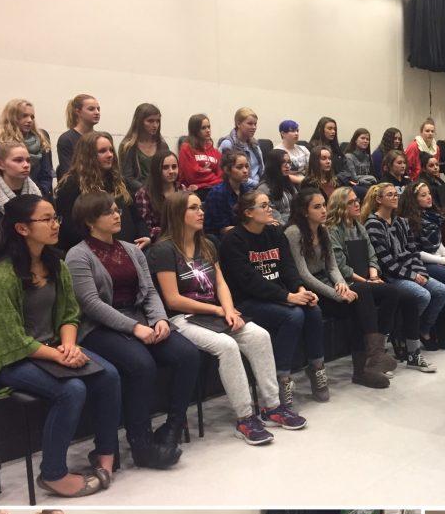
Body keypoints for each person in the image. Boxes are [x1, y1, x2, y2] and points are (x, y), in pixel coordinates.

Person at [0, 195, 120, 497]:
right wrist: (59, 355)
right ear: (21, 228)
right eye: (46, 219)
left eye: (55, 217)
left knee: (108, 375)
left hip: (52, 348)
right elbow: (11, 341)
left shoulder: (54, 263)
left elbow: (70, 313)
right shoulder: (0, 276)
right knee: (71, 390)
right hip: (10, 360)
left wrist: (68, 346)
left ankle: (105, 454)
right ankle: (53, 473)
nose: (56, 224)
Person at [66, 190, 200, 468]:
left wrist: (160, 319)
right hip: (99, 328)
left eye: (117, 210)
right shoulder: (77, 256)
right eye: (109, 212)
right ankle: (141, 444)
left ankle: (172, 427)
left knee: (187, 354)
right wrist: (135, 328)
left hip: (140, 318)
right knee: (141, 365)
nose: (117, 215)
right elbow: (91, 305)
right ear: (90, 221)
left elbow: (150, 291)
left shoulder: (130, 248)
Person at [150, 190, 287, 445]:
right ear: (178, 214)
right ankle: (245, 418)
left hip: (216, 313)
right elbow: (172, 299)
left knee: (259, 335)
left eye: (200, 207)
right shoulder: (163, 250)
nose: (201, 212)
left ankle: (272, 406)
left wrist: (229, 309)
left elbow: (221, 284)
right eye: (193, 208)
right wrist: (218, 311)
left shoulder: (207, 244)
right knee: (227, 346)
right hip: (182, 319)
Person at [218, 187, 323, 413]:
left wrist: (302, 290)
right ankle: (281, 378)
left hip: (279, 295)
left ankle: (316, 366)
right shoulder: (233, 240)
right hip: (247, 301)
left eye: (269, 205)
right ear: (248, 212)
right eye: (264, 206)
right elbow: (249, 282)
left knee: (313, 309)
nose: (270, 209)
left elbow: (288, 268)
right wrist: (288, 297)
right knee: (292, 316)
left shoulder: (275, 234)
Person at [286, 188, 391, 389]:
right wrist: (336, 293)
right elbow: (304, 274)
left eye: (324, 205)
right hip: (307, 290)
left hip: (328, 282)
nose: (323, 210)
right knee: (358, 300)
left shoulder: (323, 229)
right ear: (304, 211)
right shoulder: (294, 232)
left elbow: (332, 266)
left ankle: (368, 363)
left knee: (360, 295)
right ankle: (367, 364)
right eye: (317, 207)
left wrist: (341, 284)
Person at [362, 182, 445, 369]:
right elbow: (385, 261)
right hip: (392, 276)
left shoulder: (402, 221)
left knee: (442, 290)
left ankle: (419, 331)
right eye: (390, 194)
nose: (395, 197)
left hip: (410, 271)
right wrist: (412, 276)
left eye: (396, 194)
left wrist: (421, 272)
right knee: (422, 295)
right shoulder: (373, 224)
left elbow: (413, 251)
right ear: (379, 199)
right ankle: (404, 335)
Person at [325, 186, 404, 372]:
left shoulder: (360, 227)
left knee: (393, 292)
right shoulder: (333, 230)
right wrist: (366, 281)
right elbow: (340, 266)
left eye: (357, 200)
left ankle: (378, 346)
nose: (357, 204)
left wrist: (374, 276)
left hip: (367, 280)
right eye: (351, 202)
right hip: (349, 282)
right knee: (367, 292)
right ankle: (374, 355)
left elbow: (372, 256)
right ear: (340, 206)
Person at [55, 132, 150, 251]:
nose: (110, 155)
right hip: (95, 252)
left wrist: (145, 236)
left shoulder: (118, 180)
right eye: (102, 151)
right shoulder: (71, 185)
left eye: (111, 150)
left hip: (129, 248)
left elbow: (136, 217)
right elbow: (70, 229)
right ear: (88, 155)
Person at [0, 99, 54, 197]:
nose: (30, 120)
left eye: (32, 117)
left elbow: (46, 174)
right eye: (24, 116)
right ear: (11, 117)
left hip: (38, 193)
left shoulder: (41, 139)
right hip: (8, 195)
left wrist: (39, 194)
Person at [0, 141, 50, 240]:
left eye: (28, 160)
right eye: (18, 160)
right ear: (0, 164)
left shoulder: (38, 192)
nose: (26, 165)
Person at [397, 182, 445, 284]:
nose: (429, 197)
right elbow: (416, 252)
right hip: (420, 263)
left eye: (429, 193)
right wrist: (443, 260)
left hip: (436, 257)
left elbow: (438, 244)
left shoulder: (431, 216)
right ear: (413, 199)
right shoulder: (408, 221)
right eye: (423, 195)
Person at [134, 150, 187, 242]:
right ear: (156, 169)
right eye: (165, 167)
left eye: (174, 167)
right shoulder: (144, 194)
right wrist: (173, 231)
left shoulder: (182, 189)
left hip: (183, 237)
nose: (171, 171)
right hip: (160, 241)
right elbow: (146, 229)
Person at [118, 103, 168, 189]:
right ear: (139, 122)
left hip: (160, 191)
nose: (155, 125)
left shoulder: (162, 145)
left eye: (157, 121)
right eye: (150, 121)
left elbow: (168, 170)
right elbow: (128, 178)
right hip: (137, 194)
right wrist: (147, 190)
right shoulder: (128, 146)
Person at [203, 149, 251, 237]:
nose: (245, 171)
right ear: (227, 170)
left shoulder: (246, 190)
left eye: (247, 166)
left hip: (241, 234)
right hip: (219, 239)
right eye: (239, 167)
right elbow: (222, 229)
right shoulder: (217, 193)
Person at [57, 93, 101, 180]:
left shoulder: (100, 138)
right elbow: (68, 173)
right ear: (78, 112)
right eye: (91, 109)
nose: (97, 112)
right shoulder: (66, 139)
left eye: (98, 109)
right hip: (78, 187)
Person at [219, 108, 264, 190]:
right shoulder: (228, 144)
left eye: (255, 124)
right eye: (250, 124)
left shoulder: (255, 145)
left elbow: (261, 169)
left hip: (258, 186)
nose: (254, 127)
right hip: (238, 187)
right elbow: (225, 173)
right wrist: (258, 185)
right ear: (238, 124)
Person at [178, 113, 223, 196]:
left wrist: (201, 183)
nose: (208, 130)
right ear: (195, 130)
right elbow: (193, 176)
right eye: (203, 128)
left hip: (212, 188)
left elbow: (221, 176)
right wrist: (211, 175)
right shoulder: (186, 148)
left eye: (209, 127)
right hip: (193, 193)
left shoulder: (215, 152)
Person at [259, 149, 300, 226]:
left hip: (295, 222)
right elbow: (272, 216)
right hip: (280, 226)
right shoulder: (263, 188)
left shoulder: (288, 183)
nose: (288, 166)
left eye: (289, 162)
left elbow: (298, 204)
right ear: (274, 165)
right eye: (283, 162)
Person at [309, 117, 349, 184]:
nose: (333, 131)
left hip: (339, 180)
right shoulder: (313, 148)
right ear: (321, 130)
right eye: (330, 128)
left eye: (334, 129)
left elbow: (345, 169)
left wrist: (342, 178)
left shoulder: (336, 147)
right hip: (323, 182)